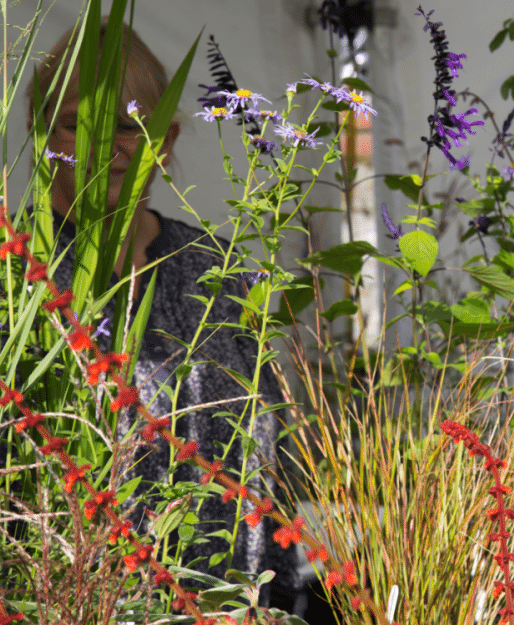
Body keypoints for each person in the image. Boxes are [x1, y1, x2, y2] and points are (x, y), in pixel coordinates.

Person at [23, 20, 311, 615]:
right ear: (40, 130)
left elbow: (271, 467)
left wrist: (279, 605)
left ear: (168, 137)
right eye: (82, 124)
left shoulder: (221, 276)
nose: (108, 144)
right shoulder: (7, 279)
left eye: (131, 125)